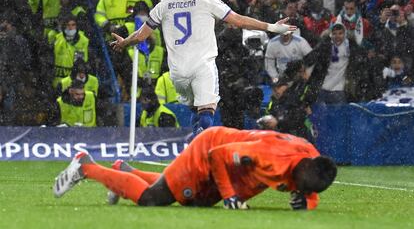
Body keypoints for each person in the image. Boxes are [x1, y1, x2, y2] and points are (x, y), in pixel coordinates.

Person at [110, 0, 296, 136]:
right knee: (207, 110)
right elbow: (238, 20)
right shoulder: (206, 0)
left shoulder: (163, 5)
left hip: (177, 71)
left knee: (195, 109)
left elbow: (141, 35)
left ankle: (194, 143)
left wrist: (124, 43)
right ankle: (198, 145)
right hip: (201, 66)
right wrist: (271, 27)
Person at [53, 126, 337, 210]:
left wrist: (309, 202)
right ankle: (85, 166)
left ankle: (124, 172)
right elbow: (217, 156)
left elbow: (312, 187)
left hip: (234, 168)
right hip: (208, 150)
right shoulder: (268, 155)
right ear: (302, 168)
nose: (299, 190)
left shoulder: (311, 161)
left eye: (307, 190)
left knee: (194, 201)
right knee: (154, 199)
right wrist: (230, 197)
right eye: (302, 185)